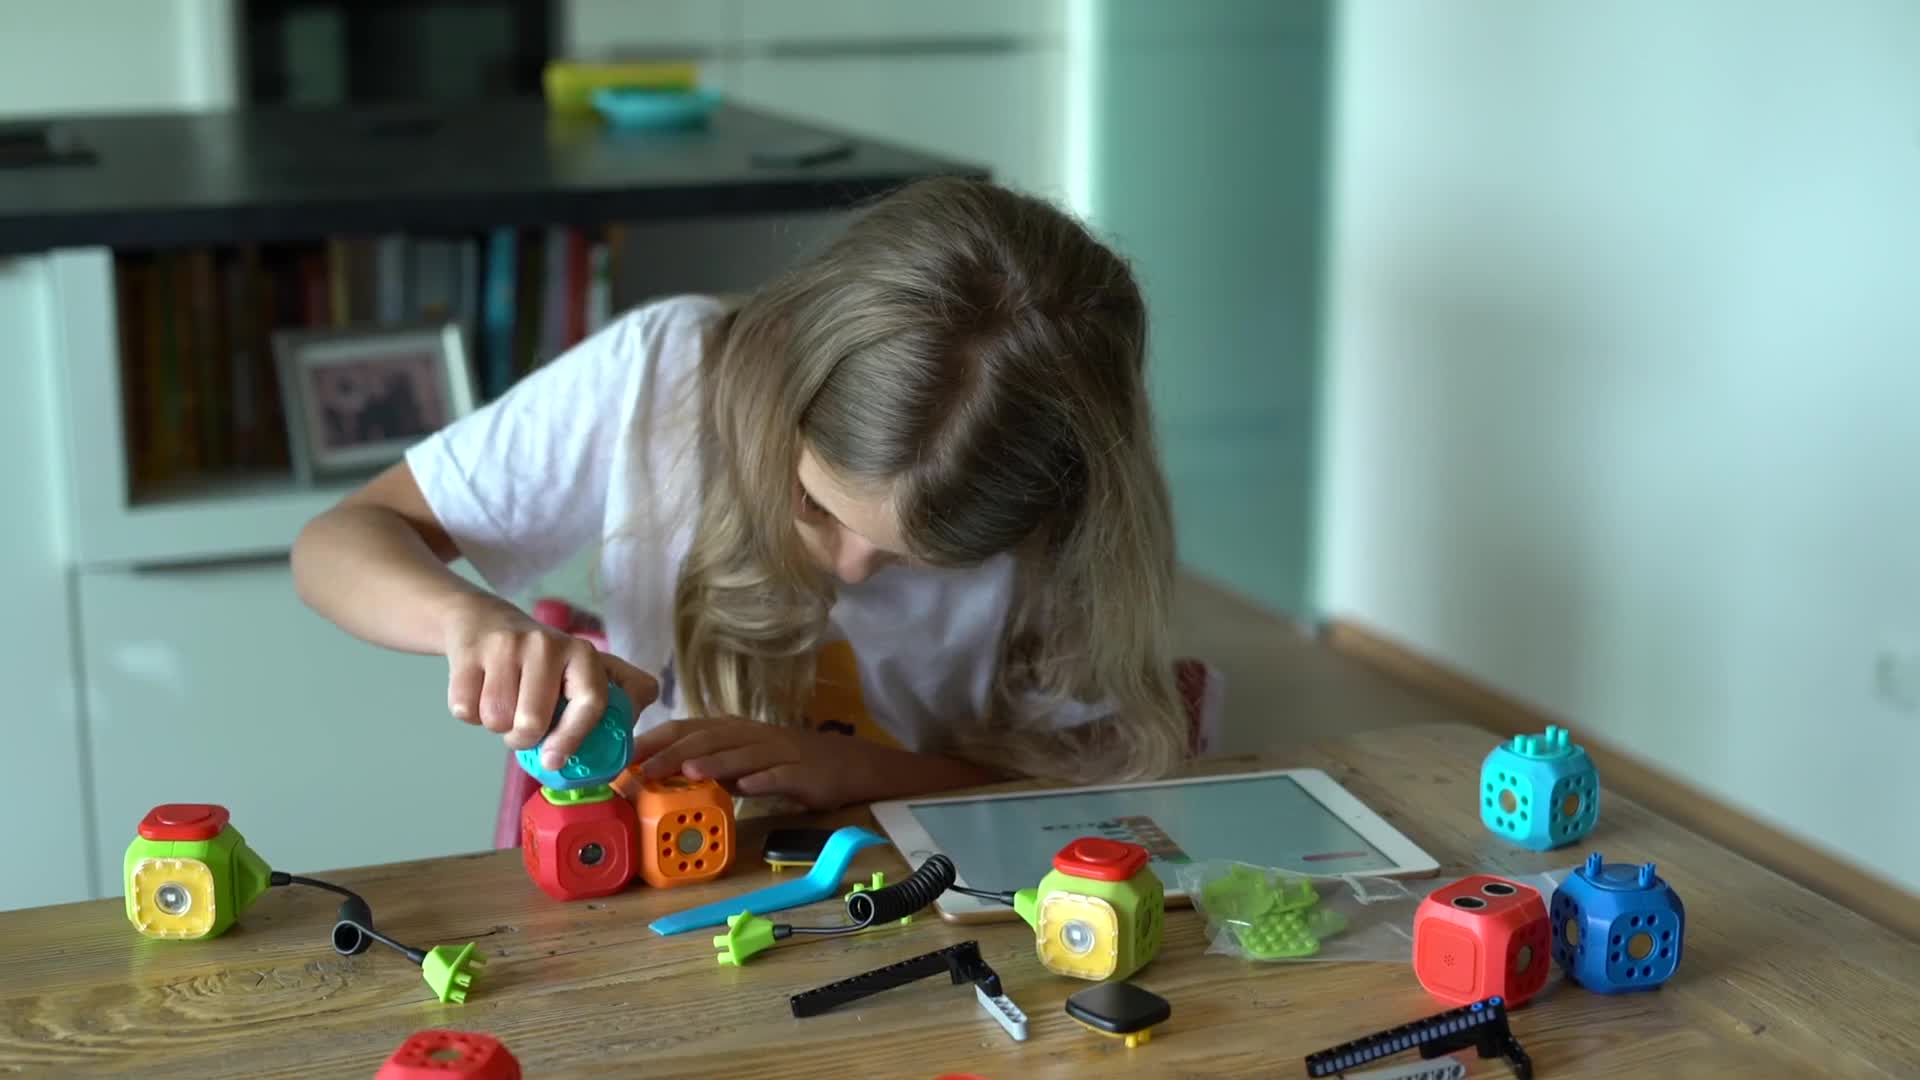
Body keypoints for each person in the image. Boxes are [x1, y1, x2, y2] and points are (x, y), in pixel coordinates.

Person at [289, 177, 1188, 812]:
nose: (850, 571)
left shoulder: (1075, 517)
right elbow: (338, 541)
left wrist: (850, 773)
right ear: (787, 390)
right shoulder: (664, 376)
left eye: (921, 560)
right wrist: (467, 621)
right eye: (820, 509)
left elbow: (1087, 799)